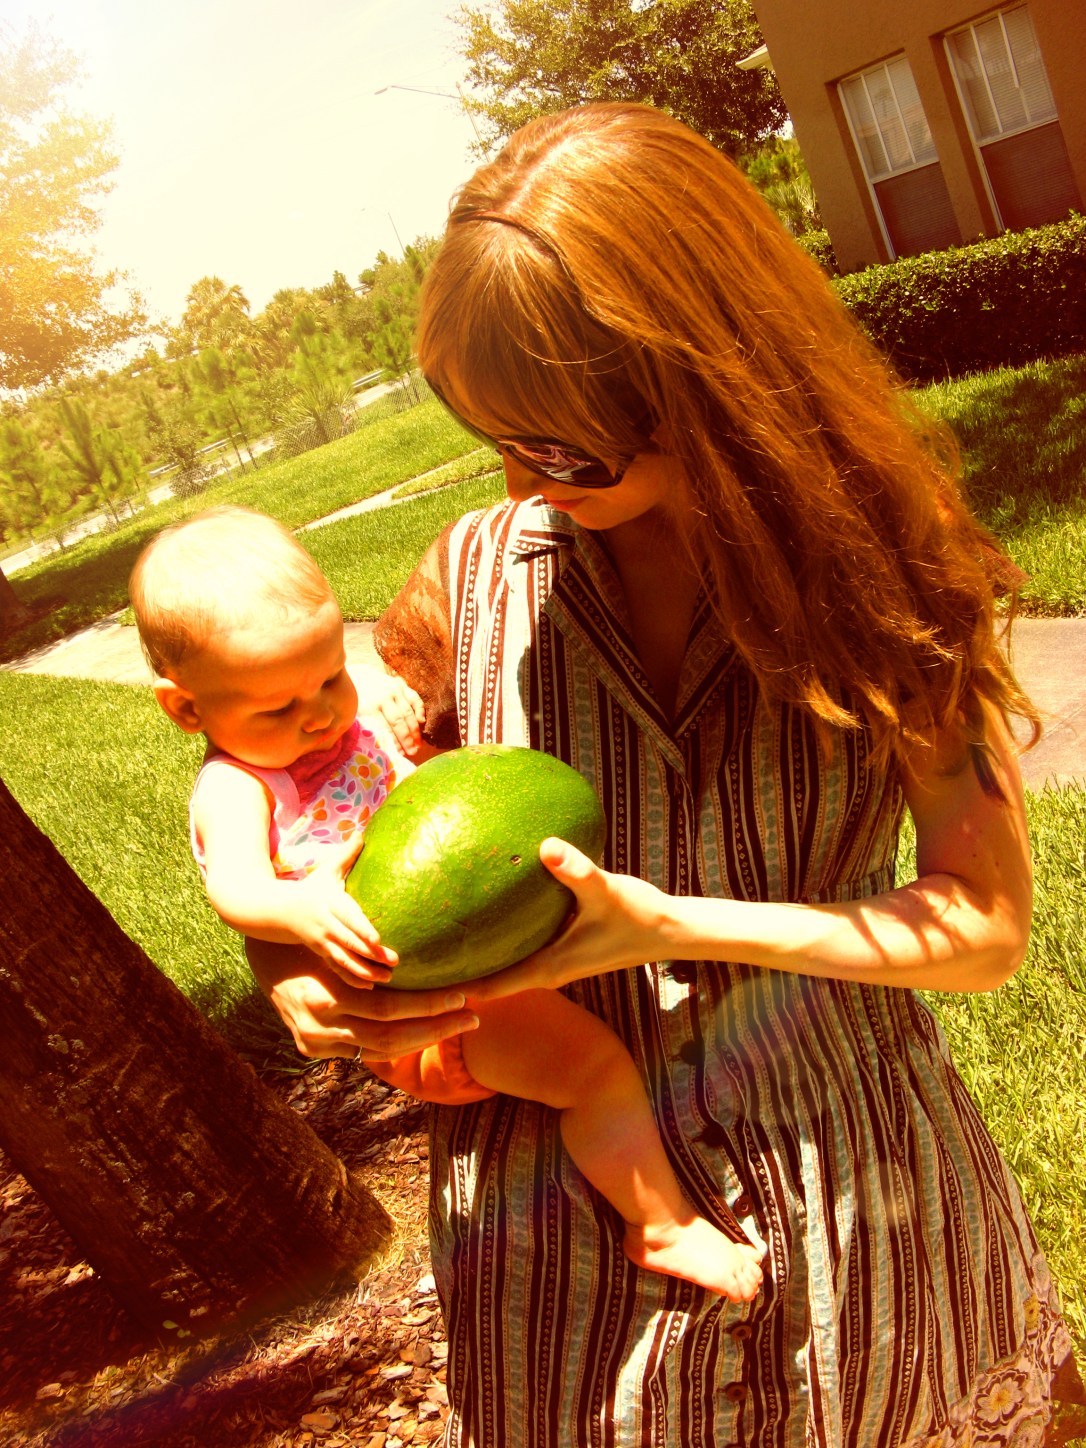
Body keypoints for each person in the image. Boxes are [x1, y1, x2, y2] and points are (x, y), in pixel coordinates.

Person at [245, 104, 1086, 1446]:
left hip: (857, 1205)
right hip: (566, 1258)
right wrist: (309, 969)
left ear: (703, 379)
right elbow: (328, 828)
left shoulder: (888, 574)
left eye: (566, 447)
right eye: (491, 436)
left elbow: (981, 928)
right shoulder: (465, 583)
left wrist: (671, 925)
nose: (524, 482)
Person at [129, 505, 766, 1303]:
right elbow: (234, 888)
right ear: (187, 710)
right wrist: (298, 914)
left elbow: (416, 770)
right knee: (595, 1069)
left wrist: (391, 710)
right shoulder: (235, 784)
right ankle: (660, 1224)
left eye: (331, 676)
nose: (322, 714)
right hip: (430, 1013)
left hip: (463, 955)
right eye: (278, 708)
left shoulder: (341, 721)